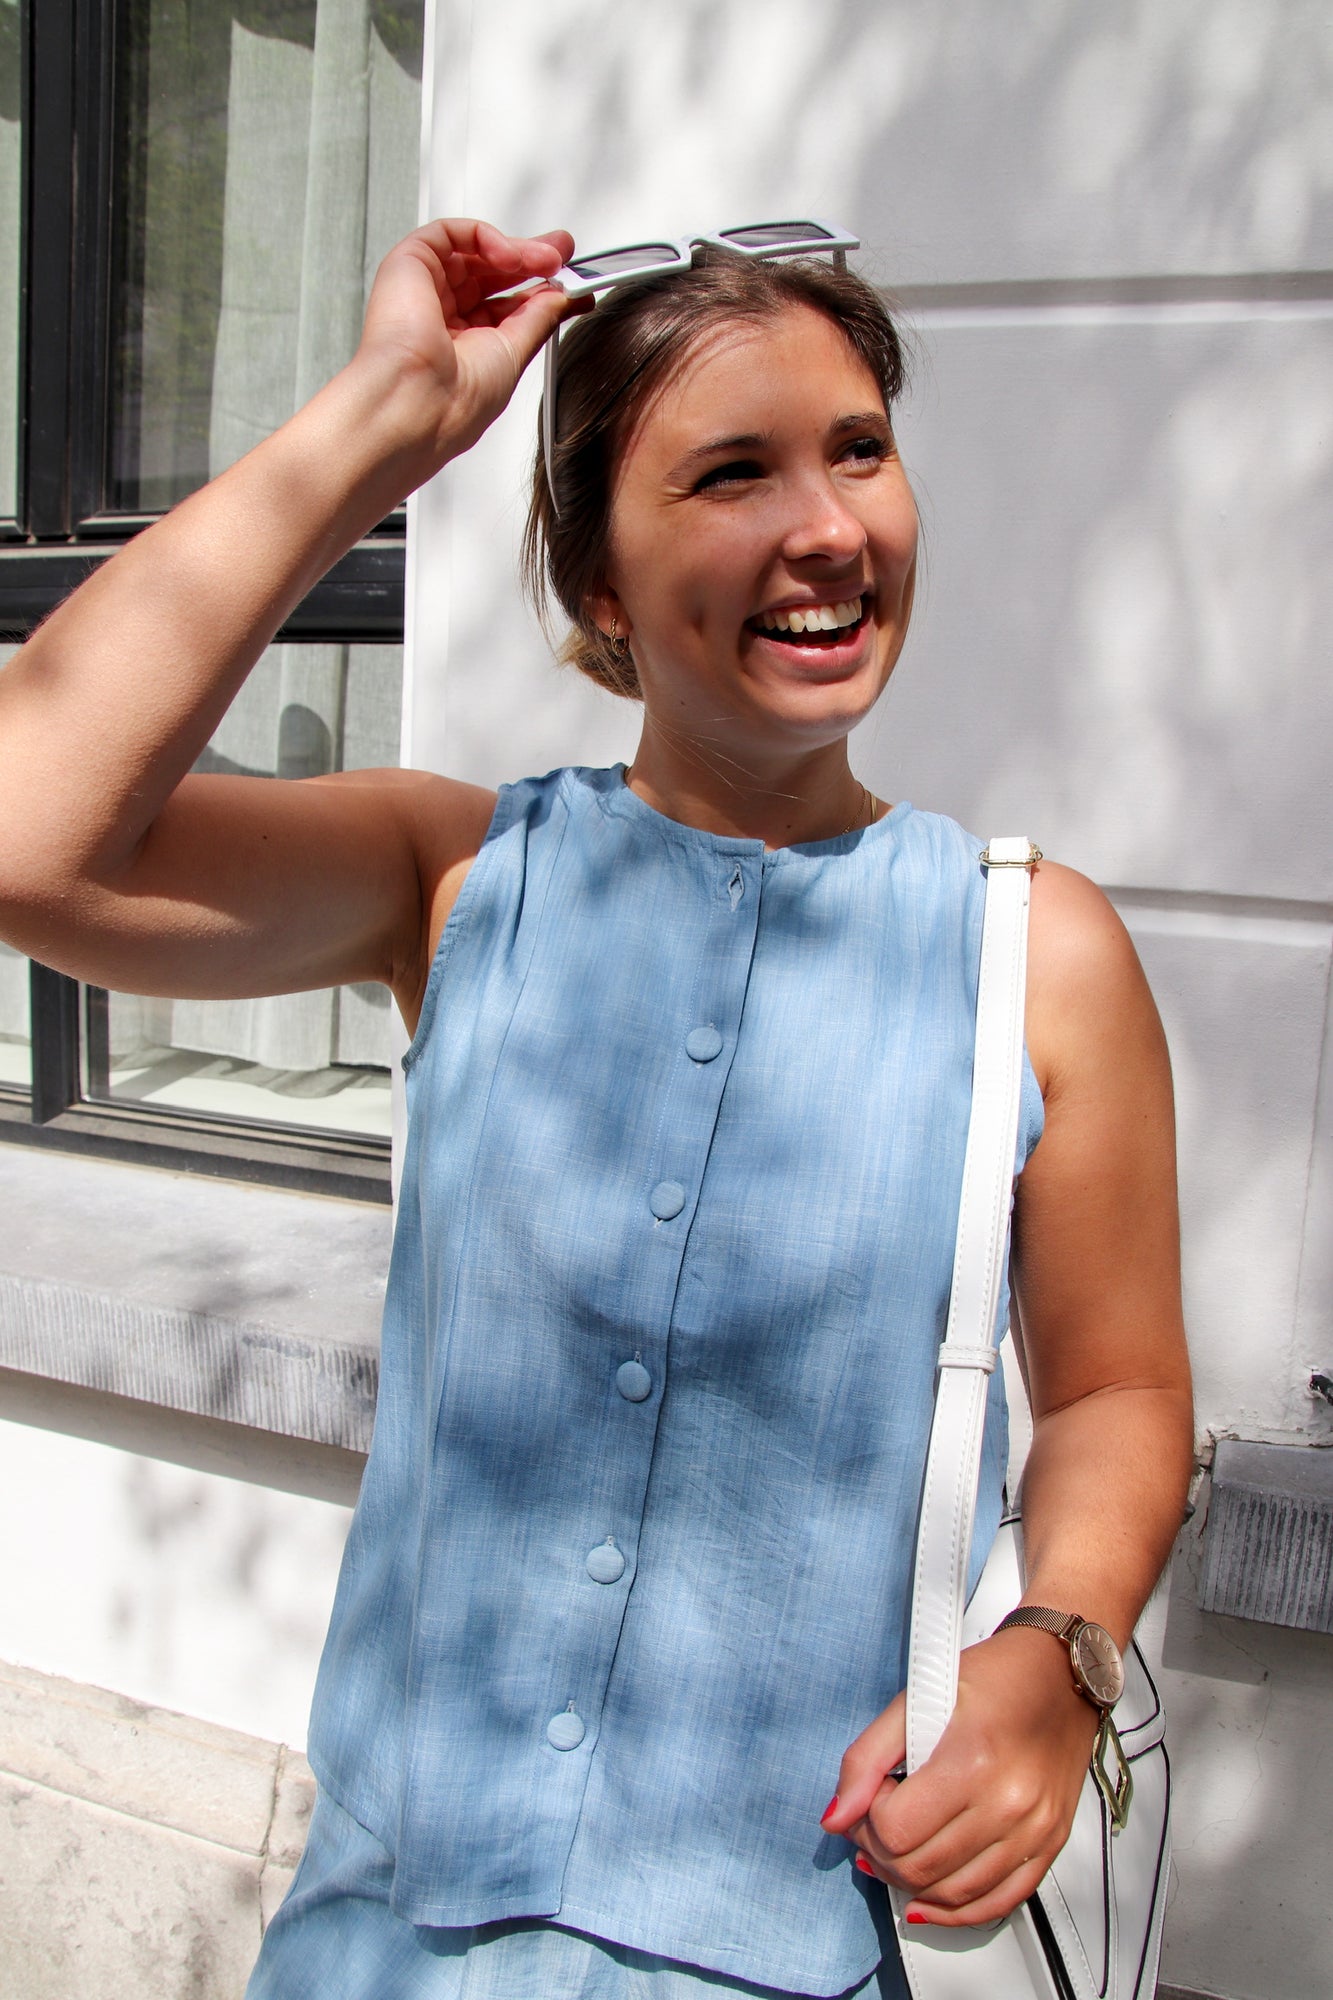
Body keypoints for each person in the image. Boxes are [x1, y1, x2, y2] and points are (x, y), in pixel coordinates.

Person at [0, 219, 1194, 2000]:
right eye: (732, 473)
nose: (827, 527)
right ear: (600, 590)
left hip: (788, 1948)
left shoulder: (1032, 950)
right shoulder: (455, 878)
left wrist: (1056, 1650)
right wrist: (389, 413)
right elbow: (29, 832)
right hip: (382, 1946)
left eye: (858, 450)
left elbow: (1115, 1389)